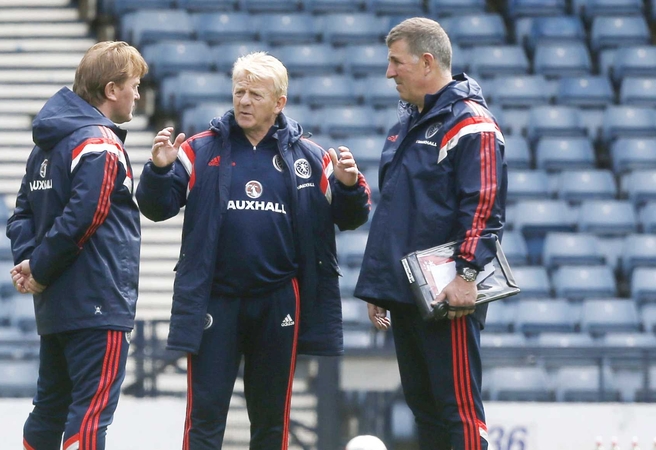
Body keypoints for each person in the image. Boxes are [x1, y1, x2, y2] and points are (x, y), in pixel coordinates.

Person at [135, 52, 371, 449]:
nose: (244, 101)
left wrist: (348, 186)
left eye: (255, 94)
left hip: (279, 301)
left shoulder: (311, 158)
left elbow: (351, 217)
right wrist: (159, 170)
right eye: (239, 92)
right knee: (204, 417)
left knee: (271, 420)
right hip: (216, 299)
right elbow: (156, 208)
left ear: (279, 103)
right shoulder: (198, 149)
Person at [354, 18, 507, 450]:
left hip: (448, 292)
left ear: (425, 62)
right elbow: (398, 212)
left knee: (456, 409)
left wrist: (467, 275)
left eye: (395, 62)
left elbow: (483, 203)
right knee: (425, 410)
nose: (389, 73)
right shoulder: (408, 123)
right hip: (408, 292)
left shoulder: (471, 123)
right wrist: (382, 286)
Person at [6, 41, 146, 450]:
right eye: (133, 85)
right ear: (110, 89)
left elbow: (20, 215)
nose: (138, 94)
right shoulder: (99, 142)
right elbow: (88, 214)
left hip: (56, 303)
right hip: (99, 300)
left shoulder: (46, 144)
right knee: (90, 415)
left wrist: (31, 265)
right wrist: (41, 268)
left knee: (48, 410)